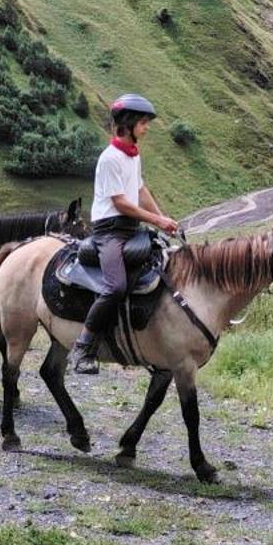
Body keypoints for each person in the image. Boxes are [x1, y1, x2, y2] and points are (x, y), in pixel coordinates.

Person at [70, 93, 181, 374]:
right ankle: (83, 347)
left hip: (131, 227)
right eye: (143, 123)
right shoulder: (110, 159)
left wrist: (161, 220)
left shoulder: (132, 154)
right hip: (110, 231)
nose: (147, 128)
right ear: (129, 124)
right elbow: (120, 203)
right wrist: (156, 219)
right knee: (115, 286)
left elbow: (140, 190)